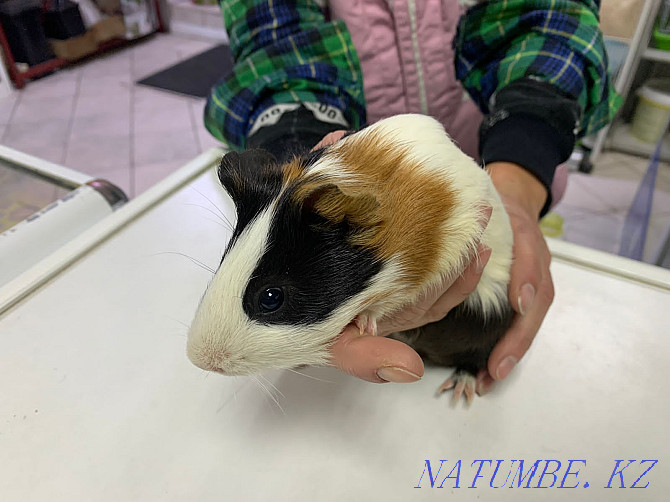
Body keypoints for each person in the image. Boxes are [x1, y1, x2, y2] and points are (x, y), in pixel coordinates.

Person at [203, 0, 620, 391]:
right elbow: (275, 33)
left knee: (480, 328)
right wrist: (294, 140)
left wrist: (525, 152)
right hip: (346, 156)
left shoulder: (388, 233)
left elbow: (549, 17)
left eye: (271, 300)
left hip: (493, 168)